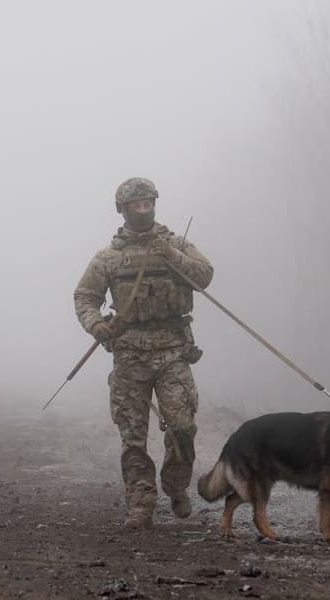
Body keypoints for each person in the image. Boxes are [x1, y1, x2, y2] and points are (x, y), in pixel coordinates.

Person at [74, 177, 213, 529]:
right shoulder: (108, 257)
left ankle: (176, 485)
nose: (143, 208)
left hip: (172, 351)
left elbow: (204, 276)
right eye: (135, 204)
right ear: (122, 209)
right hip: (130, 355)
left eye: (148, 202)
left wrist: (169, 254)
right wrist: (96, 326)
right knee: (132, 436)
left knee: (183, 425)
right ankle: (140, 503)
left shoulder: (176, 244)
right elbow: (85, 297)